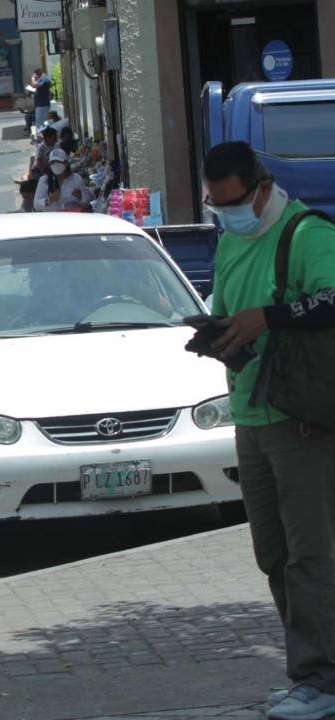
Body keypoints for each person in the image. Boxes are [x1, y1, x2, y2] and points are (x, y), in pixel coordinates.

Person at [202, 141, 335, 720]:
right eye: (215, 204)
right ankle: (309, 670)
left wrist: (269, 317)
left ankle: (322, 680)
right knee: (273, 555)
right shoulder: (231, 238)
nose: (226, 212)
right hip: (249, 415)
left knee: (313, 555)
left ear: (261, 188)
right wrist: (216, 334)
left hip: (299, 417)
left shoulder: (307, 234)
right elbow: (230, 310)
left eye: (232, 201)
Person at [29, 68, 52, 139]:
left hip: (42, 105)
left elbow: (35, 85)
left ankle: (41, 138)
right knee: (34, 121)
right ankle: (35, 137)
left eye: (36, 73)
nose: (35, 74)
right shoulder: (40, 79)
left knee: (40, 123)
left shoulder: (44, 79)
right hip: (39, 104)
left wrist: (32, 79)